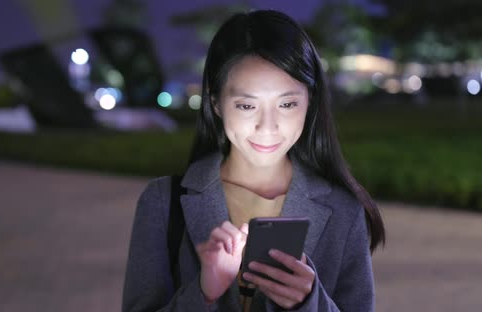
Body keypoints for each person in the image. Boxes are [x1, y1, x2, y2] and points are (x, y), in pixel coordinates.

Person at [122, 9, 385, 312]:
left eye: (287, 103)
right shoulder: (163, 203)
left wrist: (309, 302)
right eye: (247, 105)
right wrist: (204, 293)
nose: (268, 126)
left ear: (309, 102)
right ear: (215, 103)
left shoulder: (343, 210)